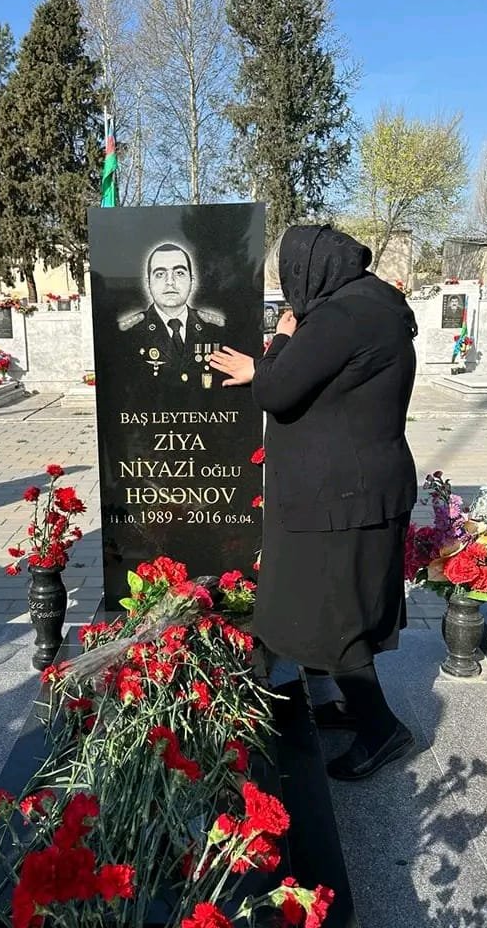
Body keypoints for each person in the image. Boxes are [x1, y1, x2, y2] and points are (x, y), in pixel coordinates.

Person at [208, 225, 418, 782]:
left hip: (339, 497)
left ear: (308, 270)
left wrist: (277, 344)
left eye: (289, 277)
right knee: (344, 603)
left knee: (332, 610)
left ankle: (382, 730)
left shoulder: (337, 318)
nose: (290, 289)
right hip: (361, 487)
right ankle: (354, 706)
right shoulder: (374, 301)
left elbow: (277, 390)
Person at [118, 243, 225, 388]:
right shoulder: (130, 332)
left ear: (192, 281)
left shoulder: (214, 329)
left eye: (179, 273)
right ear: (148, 283)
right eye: (160, 274)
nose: (170, 282)